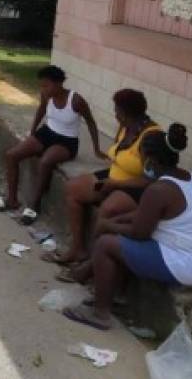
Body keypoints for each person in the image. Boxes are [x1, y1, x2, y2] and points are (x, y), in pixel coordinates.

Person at [61, 123, 192, 331]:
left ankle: (100, 313)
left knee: (106, 245)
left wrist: (108, 225)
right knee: (116, 235)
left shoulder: (159, 190)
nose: (142, 163)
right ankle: (113, 296)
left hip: (188, 263)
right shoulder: (186, 177)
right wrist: (114, 222)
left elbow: (139, 233)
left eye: (142, 157)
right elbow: (143, 217)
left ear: (151, 160)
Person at [46, 89, 160, 265]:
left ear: (126, 113)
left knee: (107, 211)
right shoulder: (126, 127)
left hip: (136, 189)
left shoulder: (150, 137)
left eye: (117, 111)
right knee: (72, 188)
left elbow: (149, 179)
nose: (115, 114)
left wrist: (115, 184)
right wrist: (111, 181)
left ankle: (94, 262)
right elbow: (116, 154)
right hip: (113, 177)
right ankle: (78, 249)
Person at [1, 65, 101, 219]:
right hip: (46, 133)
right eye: (41, 85)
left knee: (45, 162)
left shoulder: (76, 100)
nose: (43, 89)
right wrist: (33, 131)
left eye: (46, 85)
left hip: (66, 141)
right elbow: (41, 109)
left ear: (59, 83)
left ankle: (35, 206)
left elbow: (91, 123)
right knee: (11, 155)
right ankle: (12, 200)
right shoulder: (46, 96)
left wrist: (97, 149)